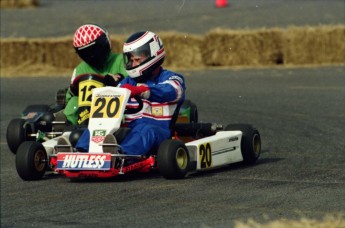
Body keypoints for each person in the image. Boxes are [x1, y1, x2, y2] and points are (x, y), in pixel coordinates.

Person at [74, 31, 186, 156]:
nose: (133, 64)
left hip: (158, 132)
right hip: (128, 130)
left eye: (137, 59)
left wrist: (143, 90)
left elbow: (171, 91)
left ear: (153, 55)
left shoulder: (172, 78)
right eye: (131, 60)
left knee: (145, 130)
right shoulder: (128, 81)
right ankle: (80, 152)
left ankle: (121, 155)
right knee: (99, 127)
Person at [61, 24, 127, 126]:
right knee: (75, 100)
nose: (92, 56)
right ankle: (66, 126)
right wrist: (72, 91)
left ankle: (118, 129)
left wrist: (116, 81)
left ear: (106, 41)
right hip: (86, 113)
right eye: (86, 53)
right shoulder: (80, 69)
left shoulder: (122, 60)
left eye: (96, 50)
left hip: (116, 106)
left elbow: (131, 83)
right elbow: (69, 98)